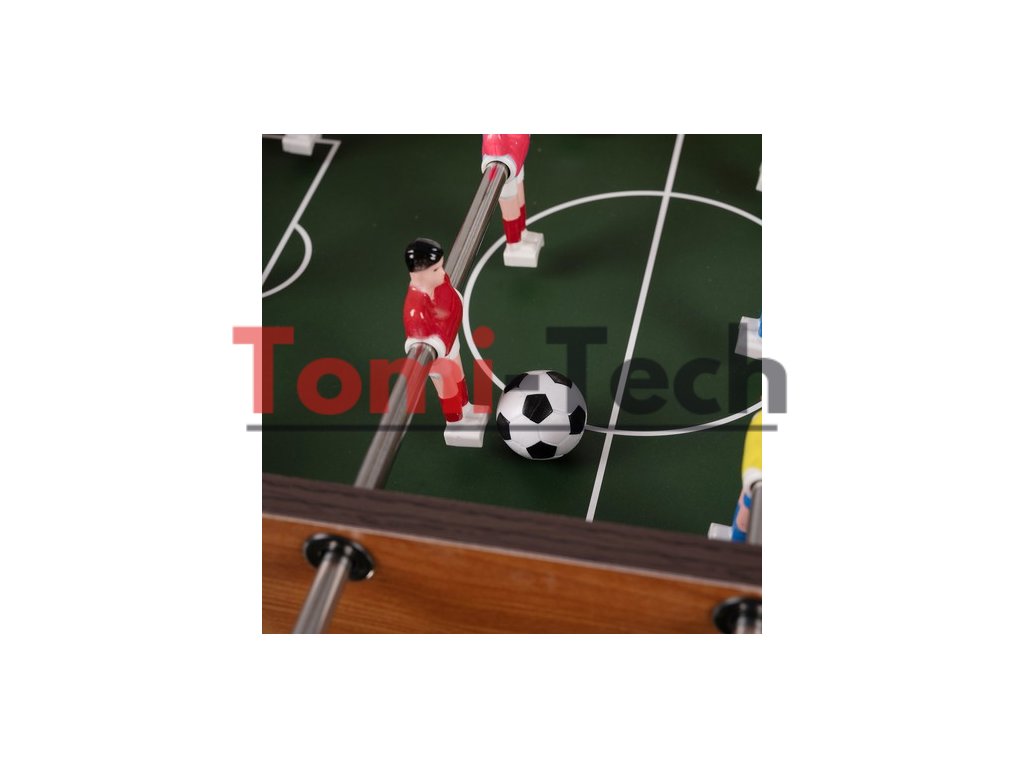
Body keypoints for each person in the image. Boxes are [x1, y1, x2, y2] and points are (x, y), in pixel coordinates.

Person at [403, 237, 487, 446]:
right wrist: (435, 350)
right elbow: (417, 335)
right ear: (417, 274)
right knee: (447, 385)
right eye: (435, 270)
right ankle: (456, 422)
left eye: (441, 267)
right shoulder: (415, 308)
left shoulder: (439, 280)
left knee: (459, 374)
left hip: (450, 339)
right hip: (437, 354)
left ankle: (465, 407)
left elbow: (447, 300)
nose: (442, 273)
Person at [482, 134, 544, 267]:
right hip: (504, 160)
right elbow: (493, 139)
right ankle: (514, 245)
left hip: (516, 154)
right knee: (510, 203)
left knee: (519, 190)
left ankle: (522, 232)